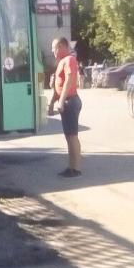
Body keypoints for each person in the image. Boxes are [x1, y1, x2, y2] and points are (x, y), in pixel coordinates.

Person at [48, 37, 82, 177]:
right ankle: (71, 167)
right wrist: (51, 104)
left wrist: (61, 101)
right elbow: (58, 88)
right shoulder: (61, 62)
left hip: (70, 101)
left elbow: (69, 80)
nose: (53, 52)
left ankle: (76, 169)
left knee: (72, 136)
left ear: (61, 46)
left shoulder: (69, 60)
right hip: (66, 101)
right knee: (69, 136)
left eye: (54, 49)